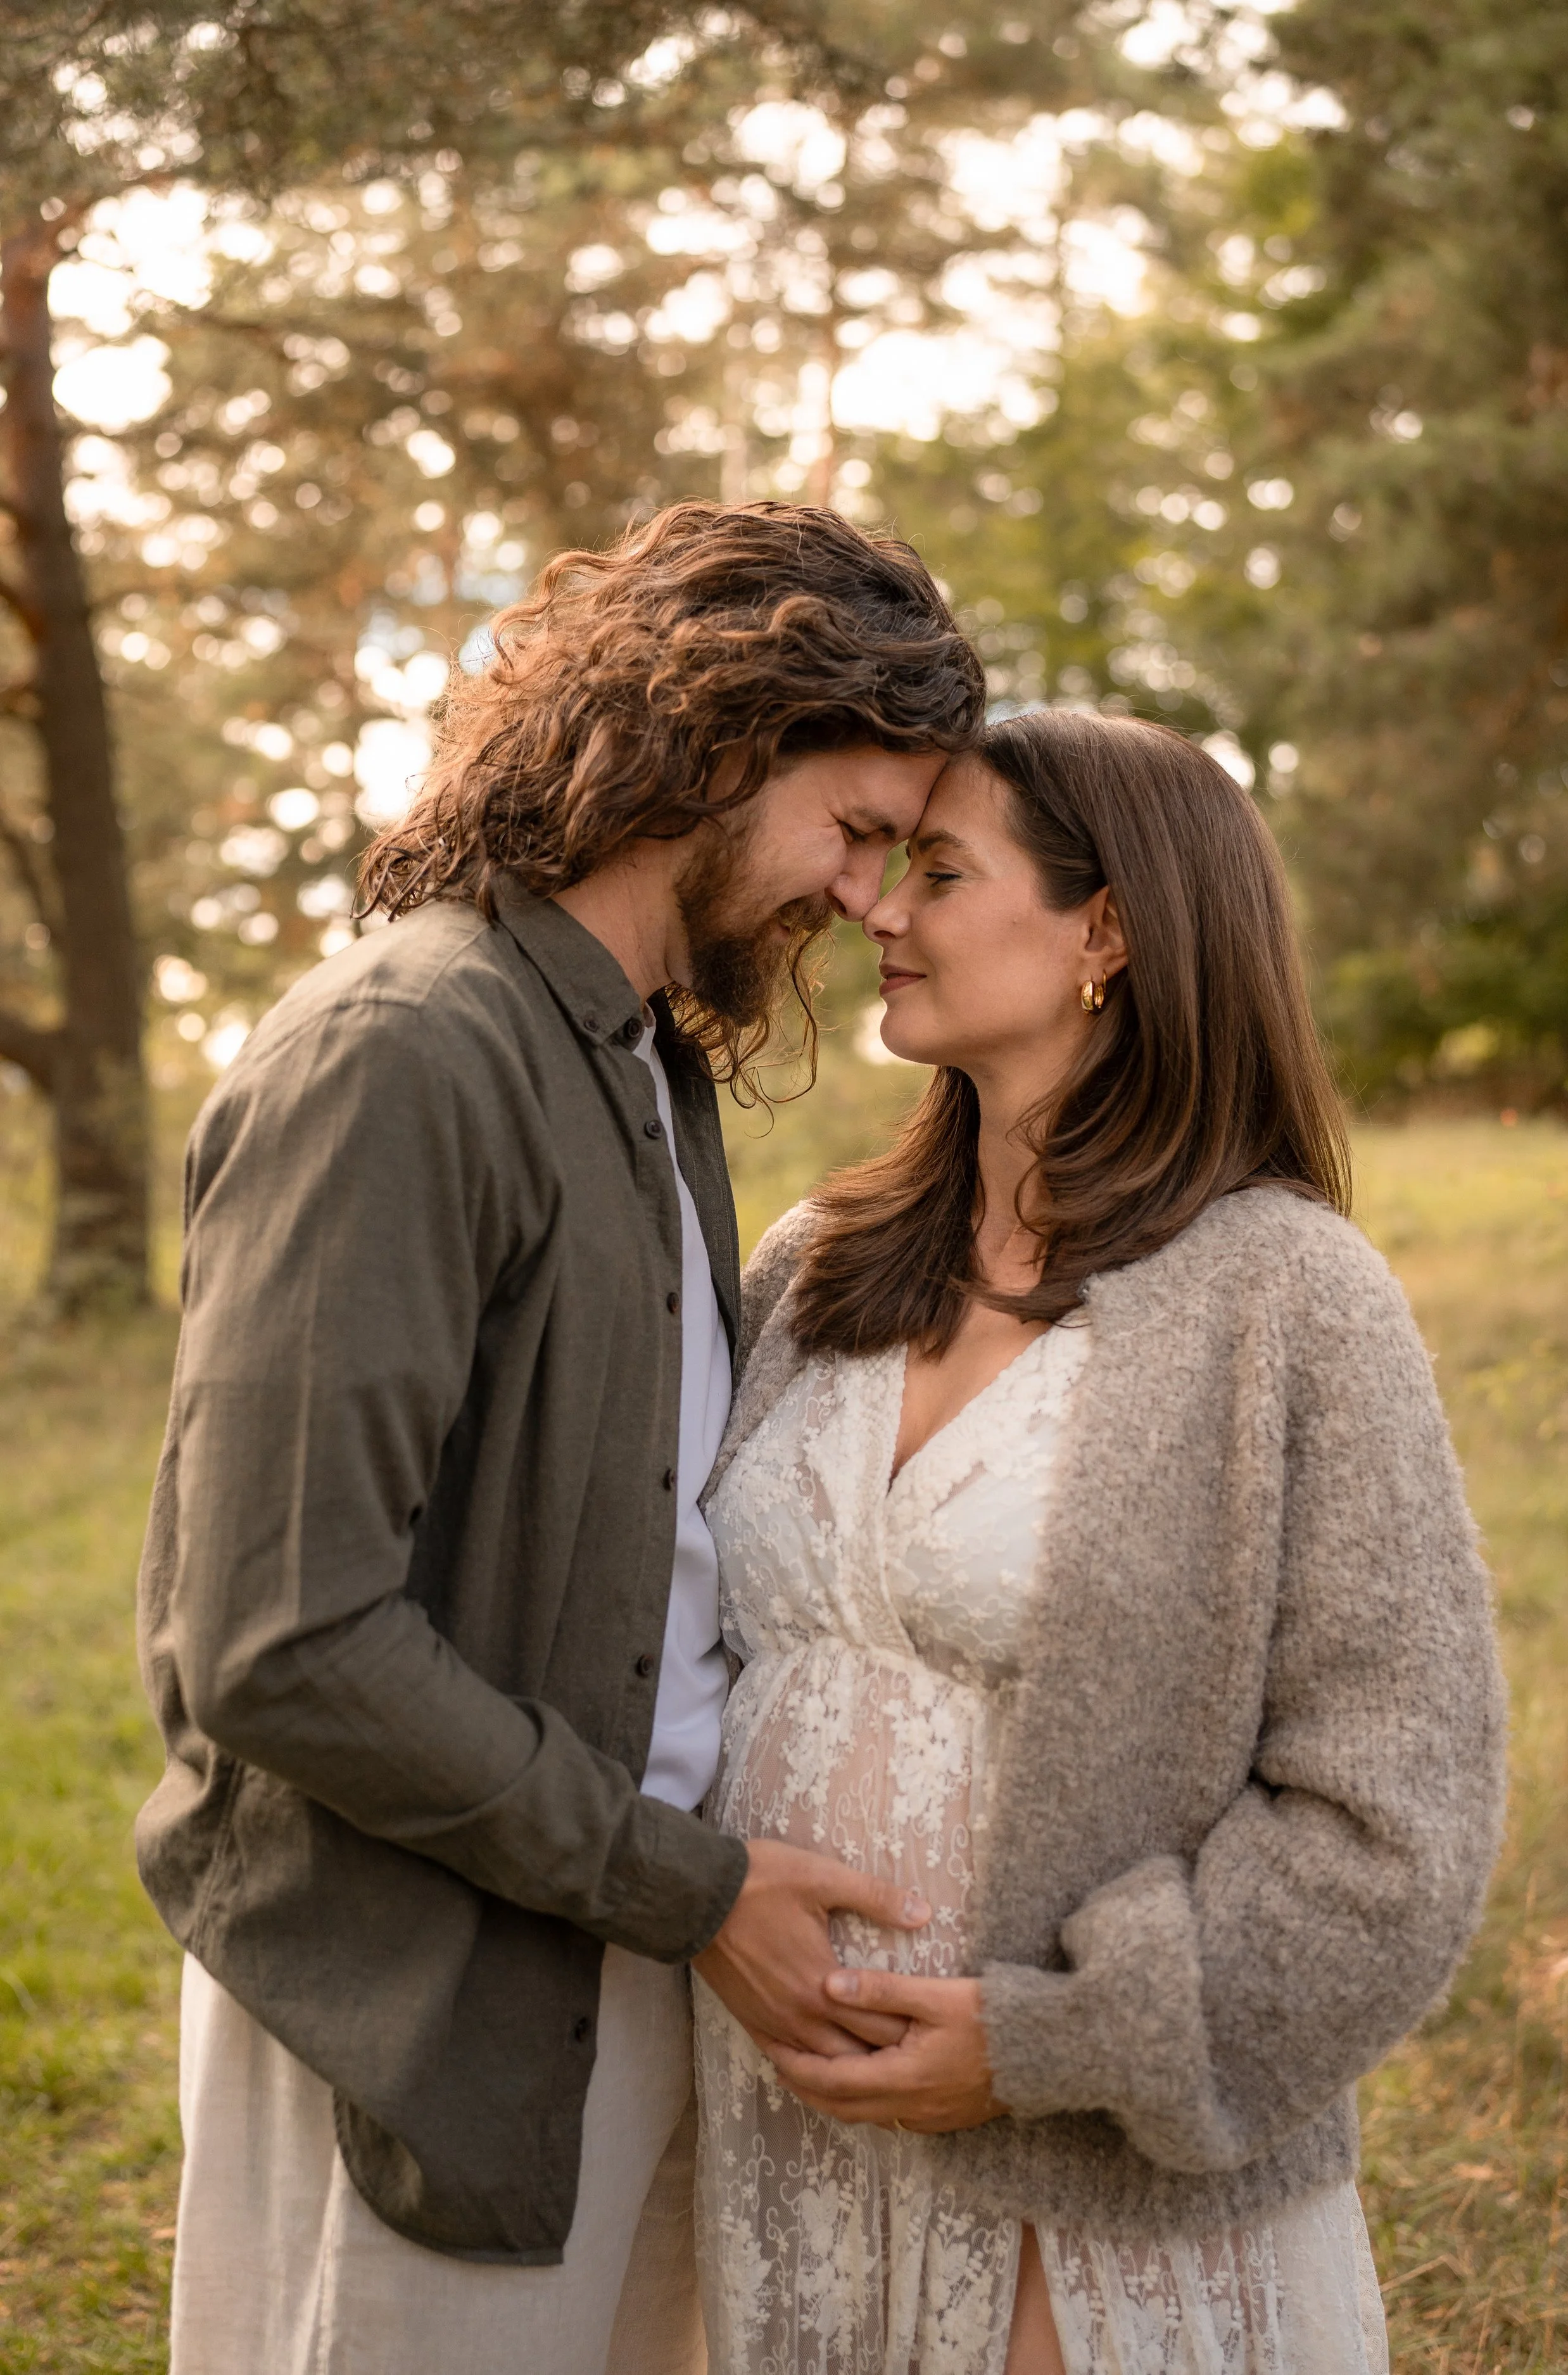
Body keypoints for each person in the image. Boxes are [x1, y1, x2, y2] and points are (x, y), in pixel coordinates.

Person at [134, 500, 984, 2375]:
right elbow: (281, 1639)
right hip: (424, 2017)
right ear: (715, 738)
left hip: (631, 1971)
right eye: (851, 833)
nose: (862, 900)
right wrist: (689, 1892)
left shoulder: (641, 1064)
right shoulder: (404, 1053)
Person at [695, 707, 1506, 2375]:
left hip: (1098, 2182)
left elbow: (1395, 1815)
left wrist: (1050, 2042)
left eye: (939, 868)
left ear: (1107, 930)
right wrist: (697, 1887)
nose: (878, 909)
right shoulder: (815, 1263)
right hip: (784, 2141)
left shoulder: (1288, 1300)